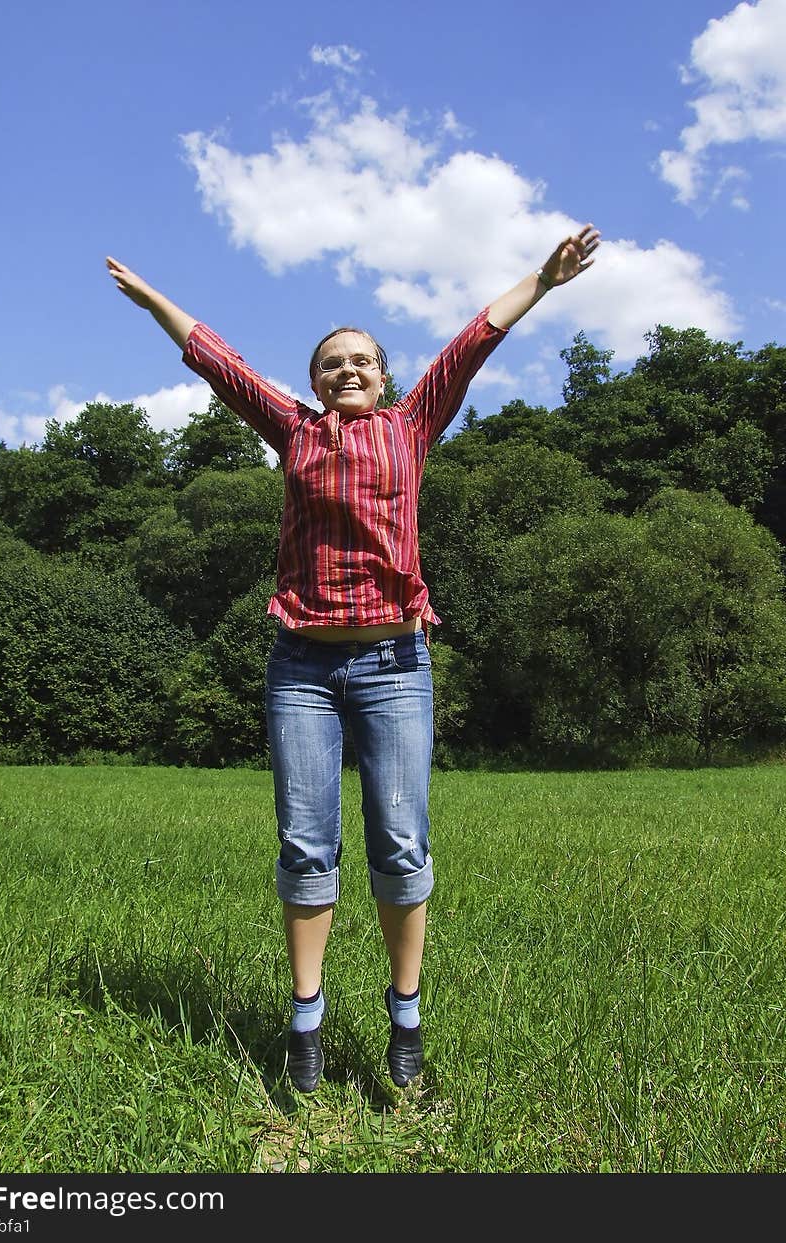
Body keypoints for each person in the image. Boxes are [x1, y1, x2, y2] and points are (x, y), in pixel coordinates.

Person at [106, 222, 601, 1092]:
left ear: (384, 374)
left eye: (360, 360)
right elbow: (220, 361)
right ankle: (307, 1027)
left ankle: (404, 1017)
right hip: (301, 666)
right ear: (313, 382)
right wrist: (154, 301)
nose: (346, 370)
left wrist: (546, 279)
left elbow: (476, 338)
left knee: (401, 844)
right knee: (305, 848)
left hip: (395, 664)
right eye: (331, 362)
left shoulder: (413, 426)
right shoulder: (293, 431)